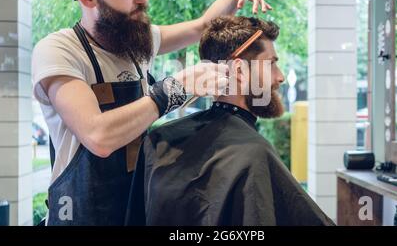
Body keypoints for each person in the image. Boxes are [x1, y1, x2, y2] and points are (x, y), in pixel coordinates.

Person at [31, 0, 271, 225]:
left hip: (135, 207)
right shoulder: (59, 51)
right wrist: (175, 90)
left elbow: (200, 27)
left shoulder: (136, 43)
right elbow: (98, 136)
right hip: (80, 213)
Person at [127, 16, 334, 226]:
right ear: (238, 71)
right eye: (271, 64)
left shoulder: (157, 140)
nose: (279, 76)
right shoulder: (254, 153)